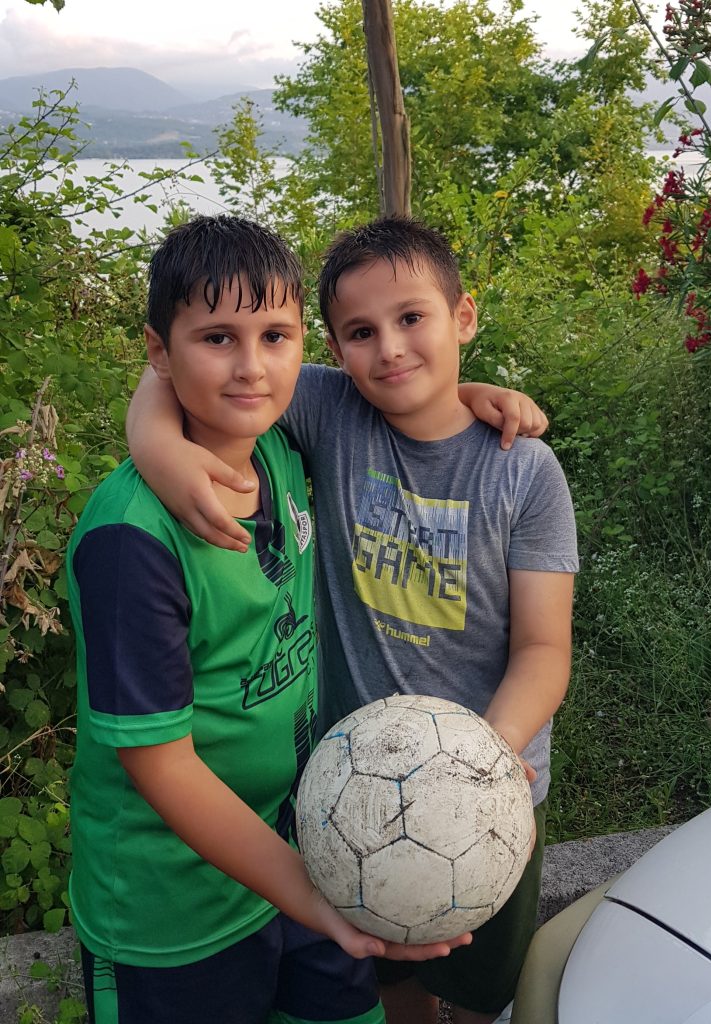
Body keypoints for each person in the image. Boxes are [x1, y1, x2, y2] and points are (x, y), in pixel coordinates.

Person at [127, 217, 578, 1024]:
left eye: (412, 318)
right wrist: (157, 447)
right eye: (361, 333)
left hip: (491, 788)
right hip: (354, 793)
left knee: (483, 986)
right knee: (391, 978)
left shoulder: (525, 473)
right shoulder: (331, 413)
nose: (390, 349)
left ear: (463, 317)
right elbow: (190, 364)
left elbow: (543, 647)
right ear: (333, 350)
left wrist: (481, 754)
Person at [66, 215, 478, 1024]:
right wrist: (310, 895)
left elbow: (407, 392)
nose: (251, 366)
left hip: (307, 847)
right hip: (174, 915)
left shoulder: (281, 448)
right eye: (217, 338)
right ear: (159, 352)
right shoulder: (131, 541)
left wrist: (478, 397)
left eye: (275, 337)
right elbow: (161, 765)